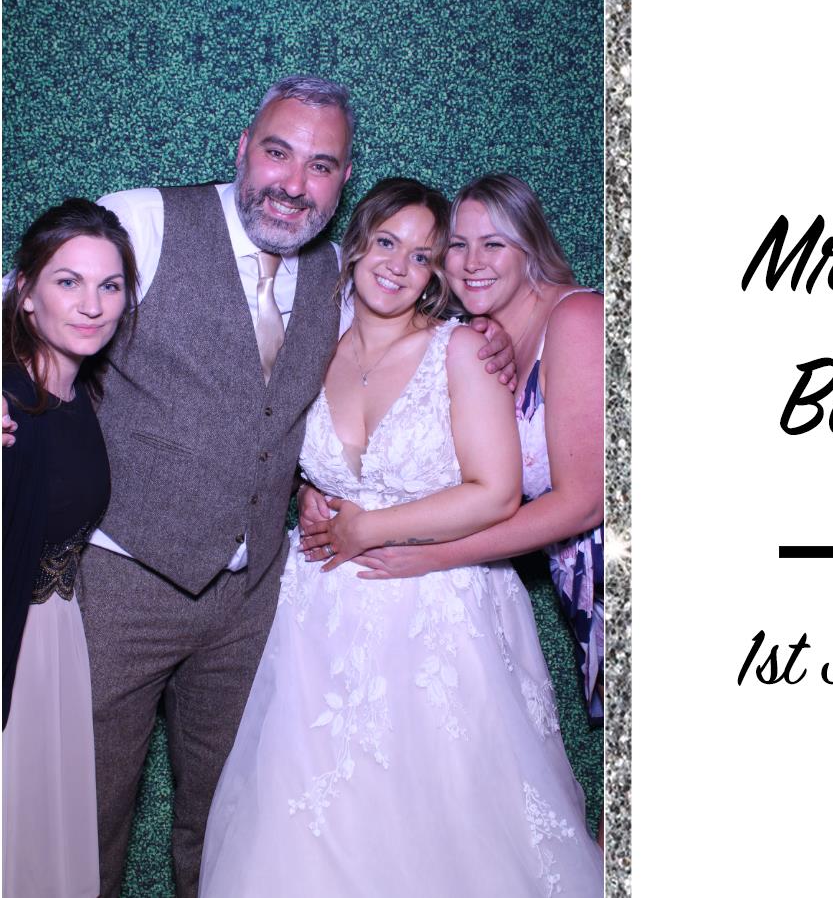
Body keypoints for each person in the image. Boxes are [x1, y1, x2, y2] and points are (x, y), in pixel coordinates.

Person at [68, 76, 512, 898]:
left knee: (235, 818)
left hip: (257, 603)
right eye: (278, 153)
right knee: (88, 811)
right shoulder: (145, 221)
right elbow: (32, 302)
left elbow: (319, 406)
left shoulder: (334, 281)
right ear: (242, 148)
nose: (294, 182)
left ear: (343, 183)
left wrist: (500, 336)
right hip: (123, 581)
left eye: (321, 165)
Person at [200, 179, 603, 896]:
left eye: (422, 256)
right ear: (355, 248)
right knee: (308, 824)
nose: (399, 265)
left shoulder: (465, 348)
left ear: (432, 277)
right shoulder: (308, 345)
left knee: (450, 823)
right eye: (387, 242)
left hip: (439, 615)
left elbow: (501, 492)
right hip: (320, 619)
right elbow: (273, 445)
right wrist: (308, 493)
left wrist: (369, 528)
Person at [303, 176, 604, 730]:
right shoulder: (487, 337)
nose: (472, 262)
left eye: (493, 244)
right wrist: (310, 490)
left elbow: (586, 501)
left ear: (531, 246)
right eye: (458, 246)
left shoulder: (577, 318)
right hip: (577, 580)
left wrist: (430, 553)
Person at [3, 200, 139, 898]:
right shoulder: (7, 399)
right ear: (24, 292)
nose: (92, 305)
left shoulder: (77, 386)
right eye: (68, 282)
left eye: (109, 285)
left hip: (55, 641)